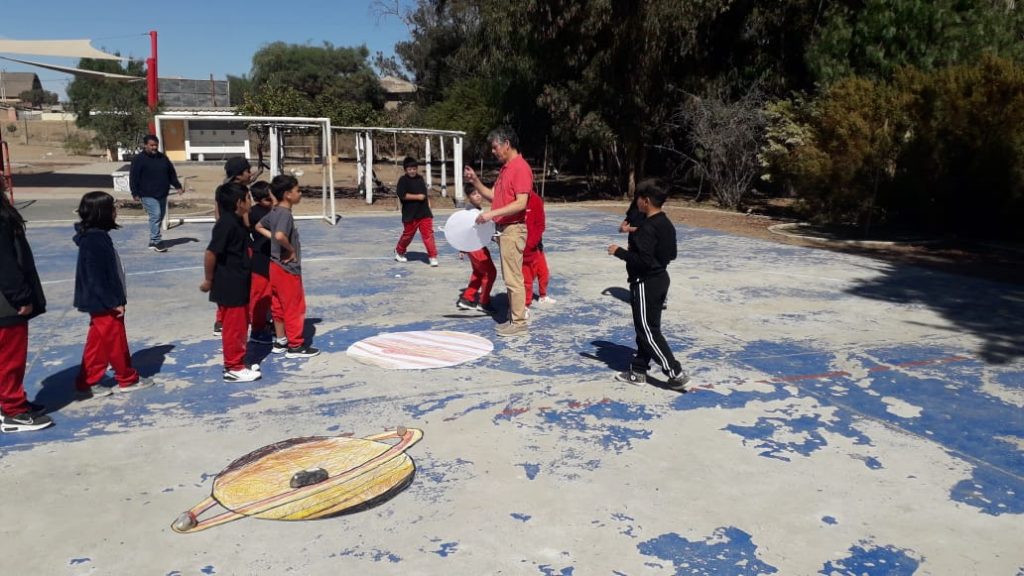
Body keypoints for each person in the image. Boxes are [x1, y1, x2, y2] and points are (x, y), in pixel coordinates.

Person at [607, 180, 690, 391]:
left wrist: (619, 251)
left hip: (645, 283)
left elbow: (642, 261)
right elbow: (671, 254)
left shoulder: (647, 228)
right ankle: (638, 370)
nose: (636, 202)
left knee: (648, 331)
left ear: (646, 201)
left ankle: (675, 372)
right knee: (646, 328)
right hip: (660, 279)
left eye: (638, 199)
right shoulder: (665, 223)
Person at [73, 191, 154, 399]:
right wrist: (113, 302)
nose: (115, 212)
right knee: (116, 341)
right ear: (102, 212)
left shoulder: (96, 236)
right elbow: (96, 276)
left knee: (98, 342)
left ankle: (87, 381)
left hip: (101, 300)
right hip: (104, 301)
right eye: (112, 208)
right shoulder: (94, 240)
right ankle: (127, 379)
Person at [464, 127, 532, 337]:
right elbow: (494, 196)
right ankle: (514, 318)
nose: (493, 152)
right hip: (505, 230)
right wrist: (475, 181)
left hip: (513, 229)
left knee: (513, 278)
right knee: (510, 277)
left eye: (495, 147)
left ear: (506, 144)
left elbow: (521, 203)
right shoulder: (506, 169)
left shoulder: (520, 168)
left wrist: (491, 215)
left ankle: (519, 323)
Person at [0, 187, 53, 432]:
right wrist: (21, 296)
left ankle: (11, 401)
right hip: (6, 304)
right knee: (10, 359)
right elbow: (4, 263)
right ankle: (12, 411)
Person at [201, 183, 260, 382]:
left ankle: (238, 361)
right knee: (235, 328)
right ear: (238, 203)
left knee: (240, 325)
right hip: (230, 284)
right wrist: (209, 280)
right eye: (248, 198)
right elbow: (211, 253)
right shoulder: (226, 224)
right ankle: (233, 367)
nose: (251, 202)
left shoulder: (237, 221)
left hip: (239, 282)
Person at [256, 175, 320, 359]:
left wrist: (275, 243)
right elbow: (279, 235)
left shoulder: (275, 211)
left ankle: (280, 340)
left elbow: (259, 226)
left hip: (274, 266)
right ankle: (295, 346)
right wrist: (289, 249)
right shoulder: (284, 214)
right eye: (297, 190)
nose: (300, 193)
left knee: (278, 305)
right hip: (287, 268)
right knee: (294, 307)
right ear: (287, 194)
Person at [213, 157, 253, 336]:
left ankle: (220, 319)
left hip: (225, 239)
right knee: (242, 281)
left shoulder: (221, 189)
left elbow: (217, 214)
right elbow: (247, 219)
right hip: (240, 241)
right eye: (248, 171)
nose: (250, 174)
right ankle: (246, 318)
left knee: (224, 279)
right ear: (239, 174)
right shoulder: (242, 192)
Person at [130, 134, 182, 252]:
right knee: (156, 215)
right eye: (151, 145)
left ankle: (152, 241)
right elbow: (133, 177)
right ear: (145, 145)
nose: (154, 147)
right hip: (146, 194)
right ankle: (157, 241)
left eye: (156, 145)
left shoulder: (163, 158)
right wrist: (134, 193)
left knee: (160, 216)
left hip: (162, 193)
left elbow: (171, 174)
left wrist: (177, 186)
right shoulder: (139, 159)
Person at [455, 188, 497, 313]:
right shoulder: (471, 212)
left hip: (473, 246)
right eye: (474, 194)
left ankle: (467, 298)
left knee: (478, 272)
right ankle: (484, 303)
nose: (478, 196)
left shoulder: (475, 209)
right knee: (490, 273)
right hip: (475, 247)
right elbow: (465, 229)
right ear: (468, 197)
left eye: (479, 193)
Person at [247, 181, 278, 346]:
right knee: (260, 295)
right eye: (268, 199)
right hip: (261, 259)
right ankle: (257, 329)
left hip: (272, 257)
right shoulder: (256, 213)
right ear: (259, 200)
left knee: (273, 294)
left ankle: (269, 322)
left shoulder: (273, 211)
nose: (272, 200)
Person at [393, 156, 439, 266]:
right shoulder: (403, 180)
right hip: (410, 214)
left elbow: (425, 194)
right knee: (408, 236)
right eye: (410, 169)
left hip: (424, 213)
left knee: (428, 235)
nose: (412, 171)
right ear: (405, 170)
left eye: (414, 169)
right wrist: (417, 197)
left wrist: (428, 206)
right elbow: (402, 195)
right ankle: (399, 251)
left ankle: (432, 256)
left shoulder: (420, 179)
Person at [523, 190, 555, 310]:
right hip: (525, 248)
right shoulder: (518, 203)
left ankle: (543, 295)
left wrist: (534, 242)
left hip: (537, 247)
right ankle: (525, 304)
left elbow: (540, 225)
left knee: (544, 273)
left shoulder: (536, 203)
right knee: (527, 278)